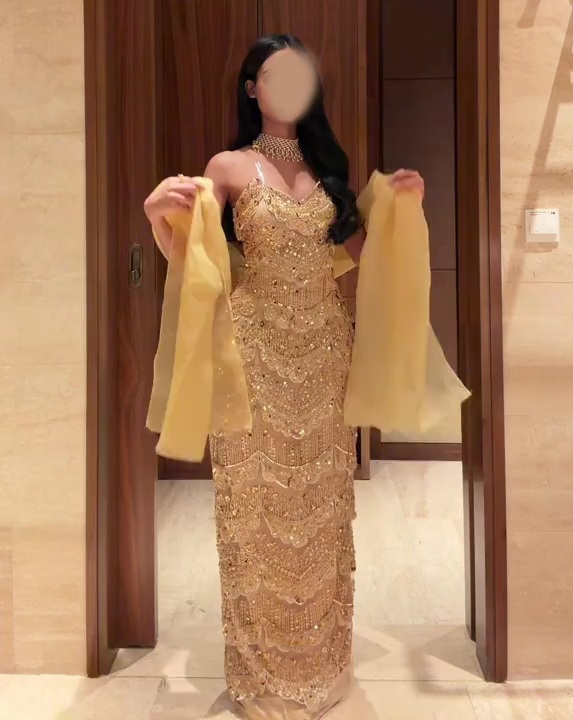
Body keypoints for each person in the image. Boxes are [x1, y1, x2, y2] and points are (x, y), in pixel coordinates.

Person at [144, 34, 424, 720]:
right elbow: (194, 254)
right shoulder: (229, 166)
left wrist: (401, 210)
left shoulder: (329, 170)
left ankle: (323, 670)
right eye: (277, 75)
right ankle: (263, 679)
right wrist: (157, 216)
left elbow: (366, 254)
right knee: (254, 510)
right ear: (253, 88)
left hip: (325, 357)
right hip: (253, 357)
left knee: (321, 510)